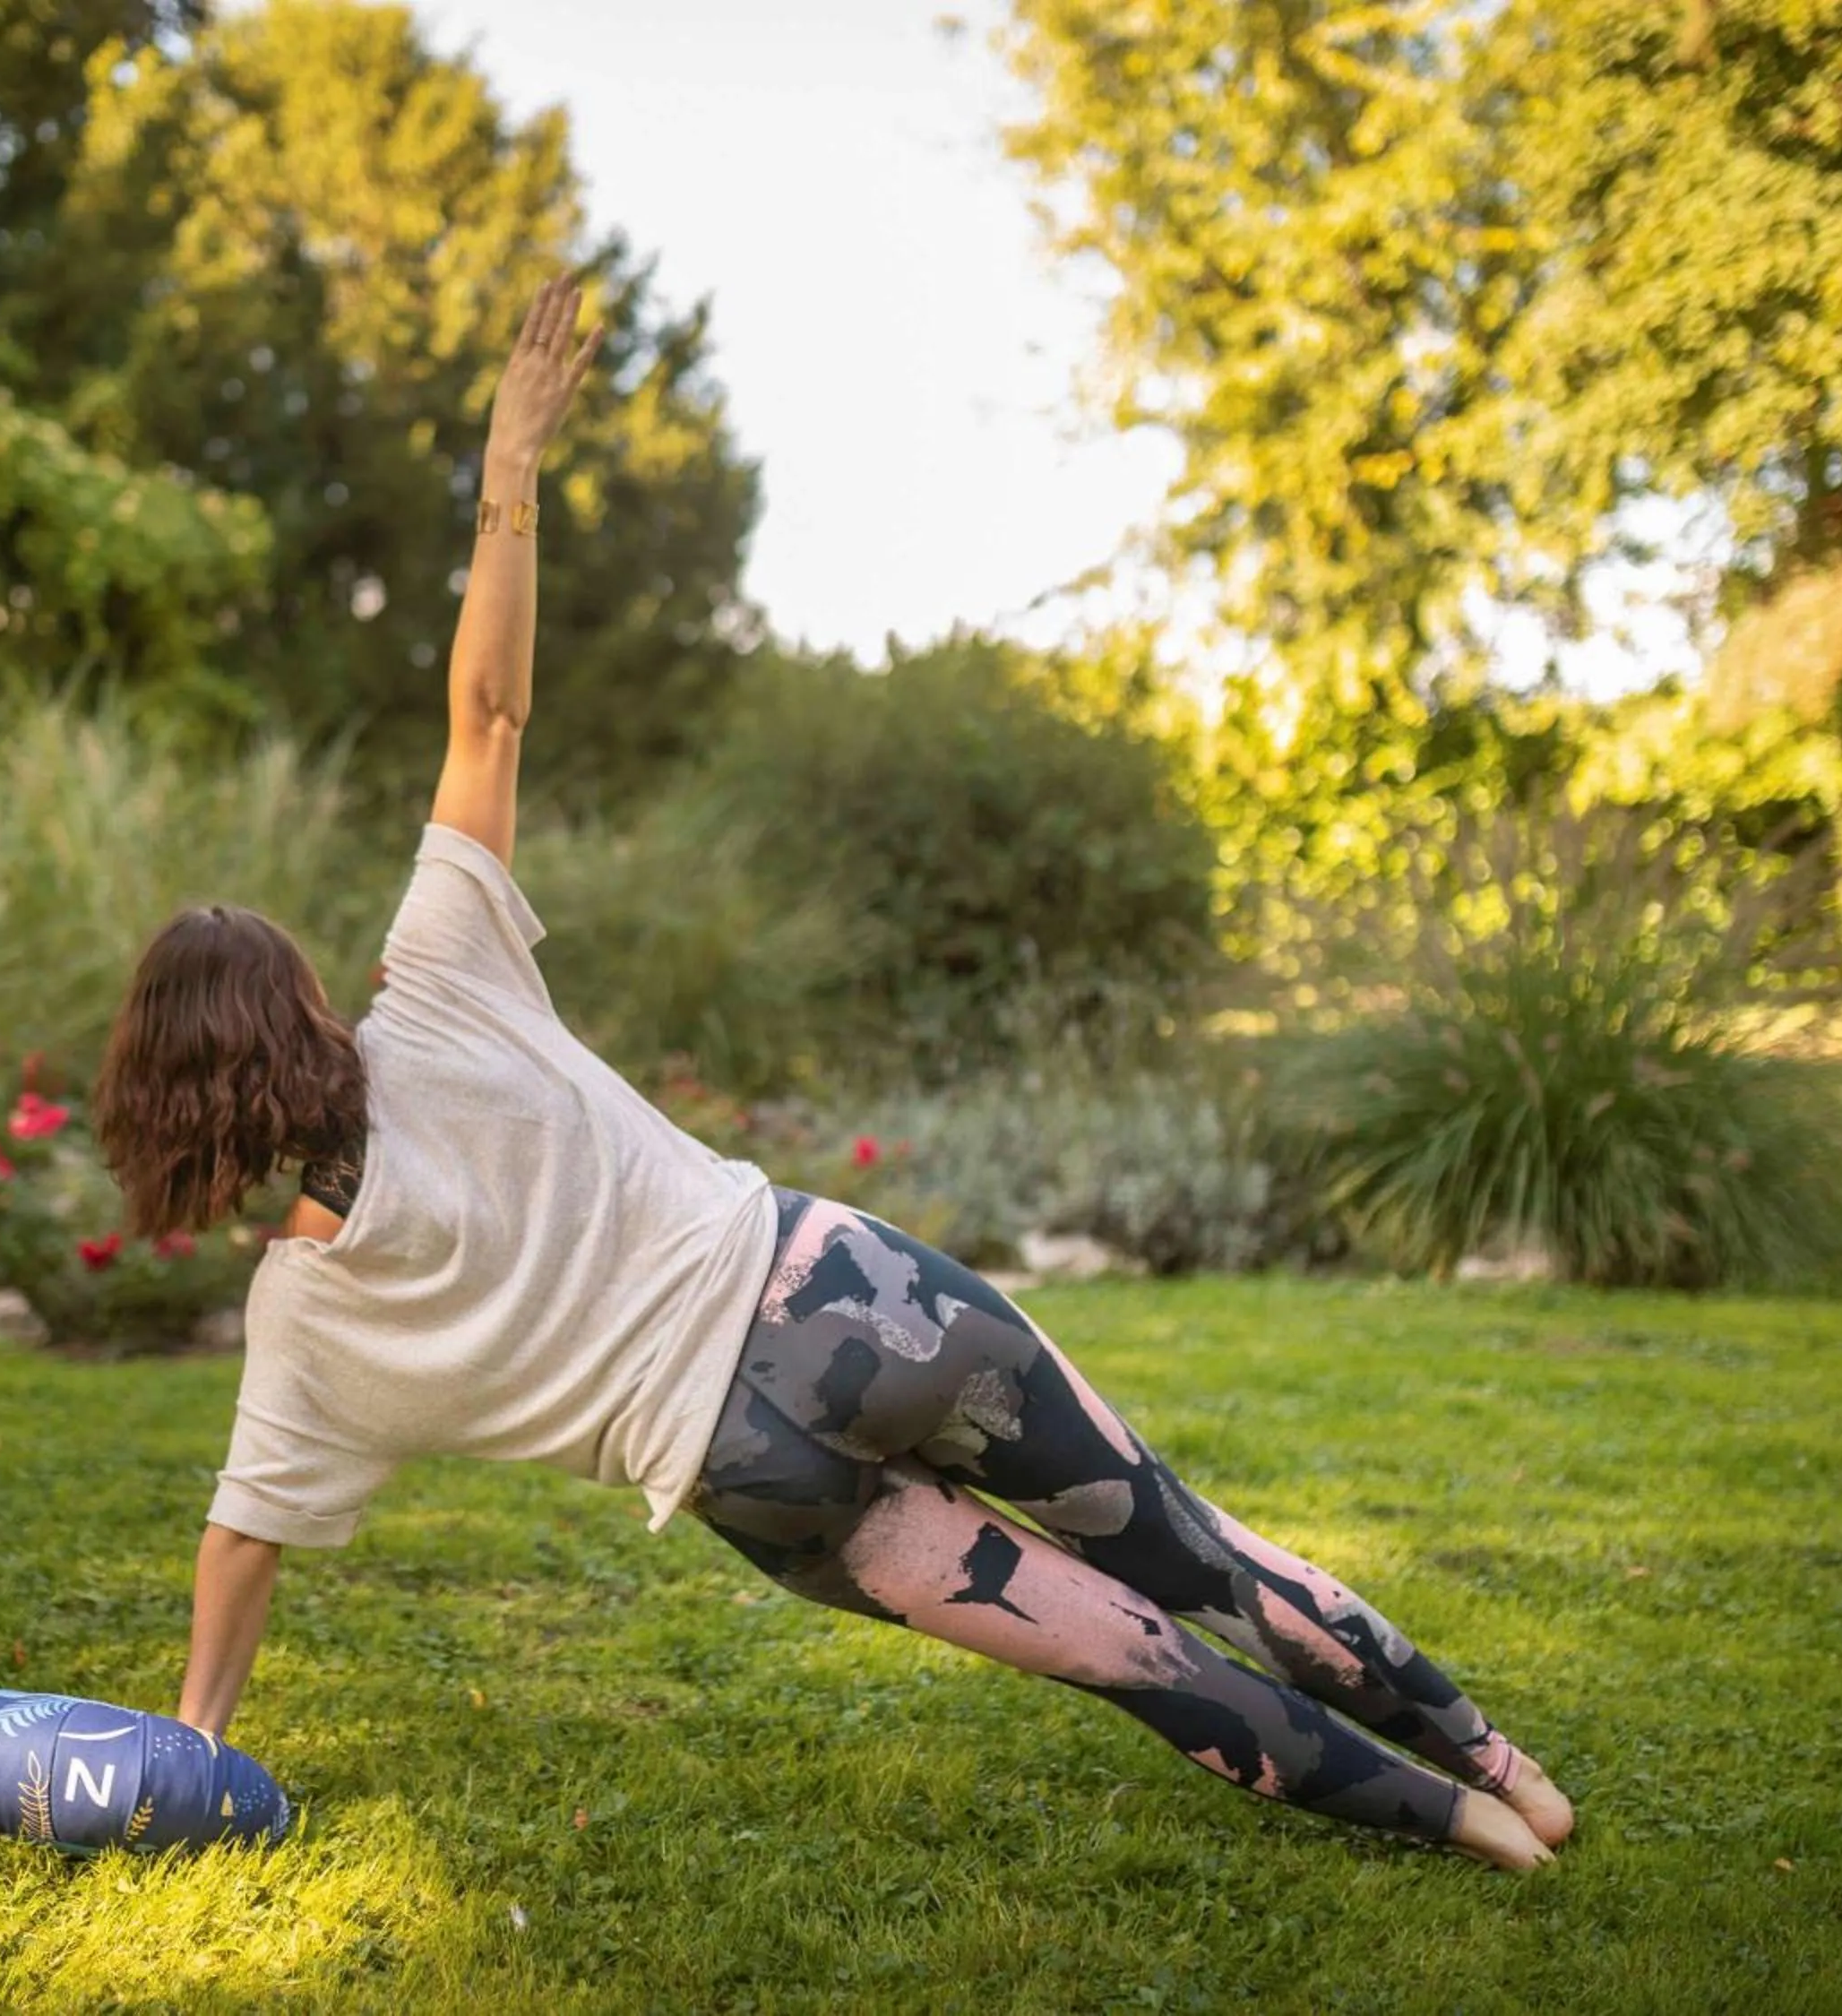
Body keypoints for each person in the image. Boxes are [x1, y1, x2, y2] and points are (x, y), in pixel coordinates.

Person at [92, 276, 1574, 1873]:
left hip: (749, 1472)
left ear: (170, 1103)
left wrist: (199, 1744)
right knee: (1193, 1552)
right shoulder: (441, 988)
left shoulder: (305, 1322)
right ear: (306, 1006)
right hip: (844, 1301)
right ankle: (1505, 1761)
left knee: (1136, 1660)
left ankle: (1475, 1828)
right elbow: (490, 714)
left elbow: (243, 1538)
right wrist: (507, 476)